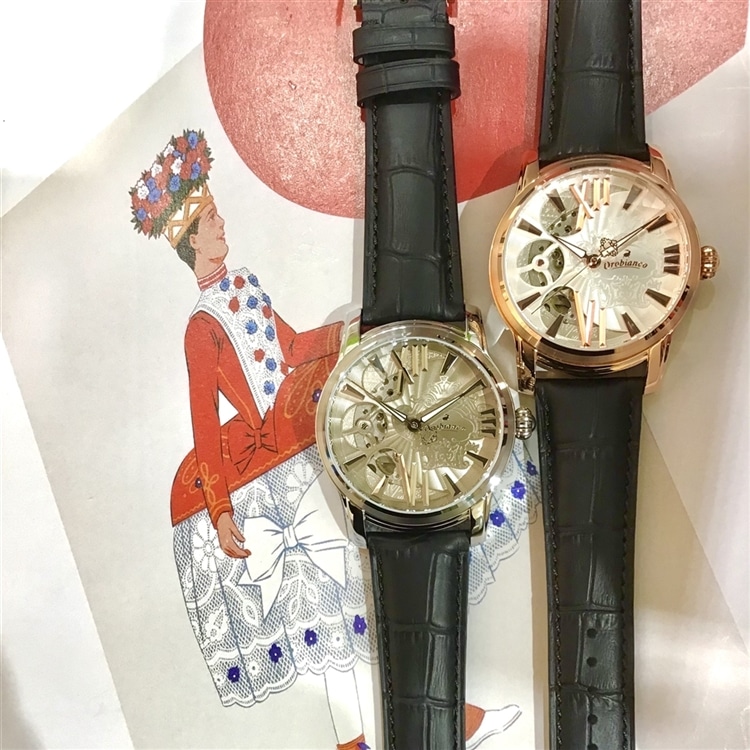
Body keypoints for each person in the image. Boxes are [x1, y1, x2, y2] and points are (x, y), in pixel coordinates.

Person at [130, 129, 530, 749]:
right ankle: (396, 727)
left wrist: (348, 332)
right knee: (336, 602)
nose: (222, 222)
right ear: (190, 241)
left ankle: (422, 719)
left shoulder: (244, 285)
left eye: (216, 213)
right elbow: (203, 421)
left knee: (354, 592)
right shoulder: (200, 328)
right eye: (210, 220)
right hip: (272, 470)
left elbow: (291, 347)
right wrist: (220, 506)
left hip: (305, 435)